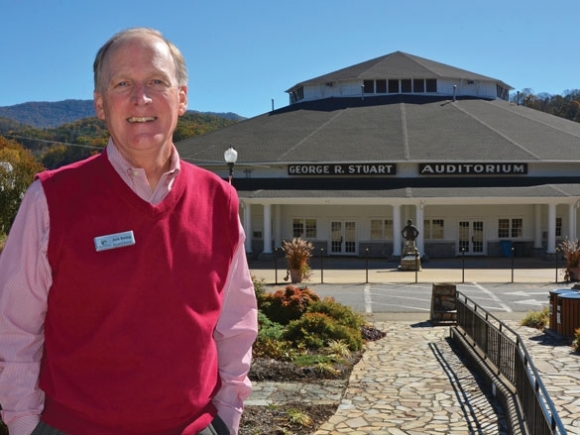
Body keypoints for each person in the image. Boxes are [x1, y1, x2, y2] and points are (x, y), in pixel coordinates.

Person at [0, 27, 258, 435]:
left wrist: (227, 418)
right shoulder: (50, 199)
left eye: (157, 81)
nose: (142, 98)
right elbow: (13, 329)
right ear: (100, 105)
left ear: (182, 98)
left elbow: (237, 325)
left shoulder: (219, 201)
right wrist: (25, 426)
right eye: (123, 84)